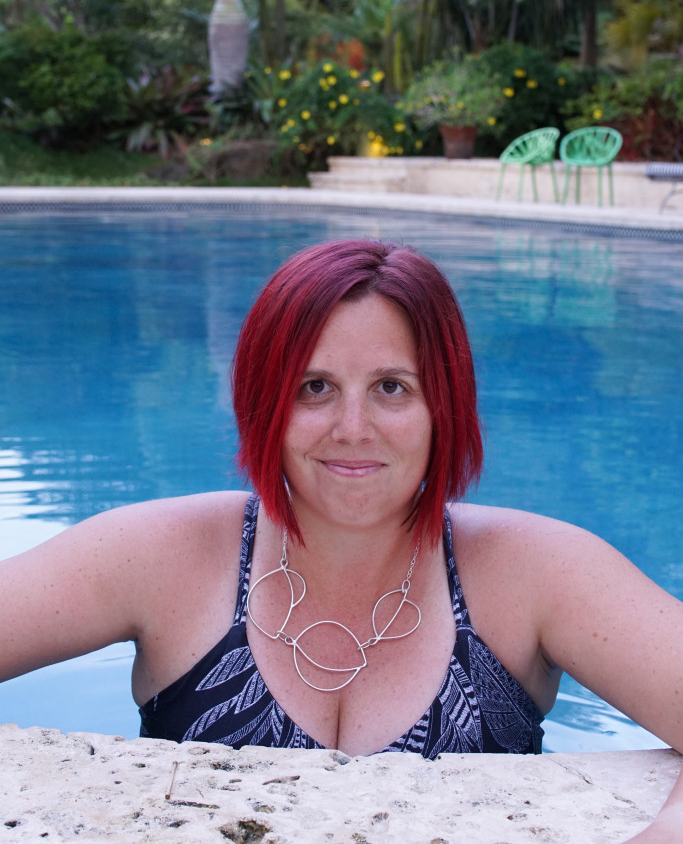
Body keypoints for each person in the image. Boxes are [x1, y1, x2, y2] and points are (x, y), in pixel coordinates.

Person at [1, 238, 681, 840]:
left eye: (391, 387)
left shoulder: (538, 573)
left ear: (442, 405)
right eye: (315, 387)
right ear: (263, 401)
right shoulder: (160, 555)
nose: (352, 427)